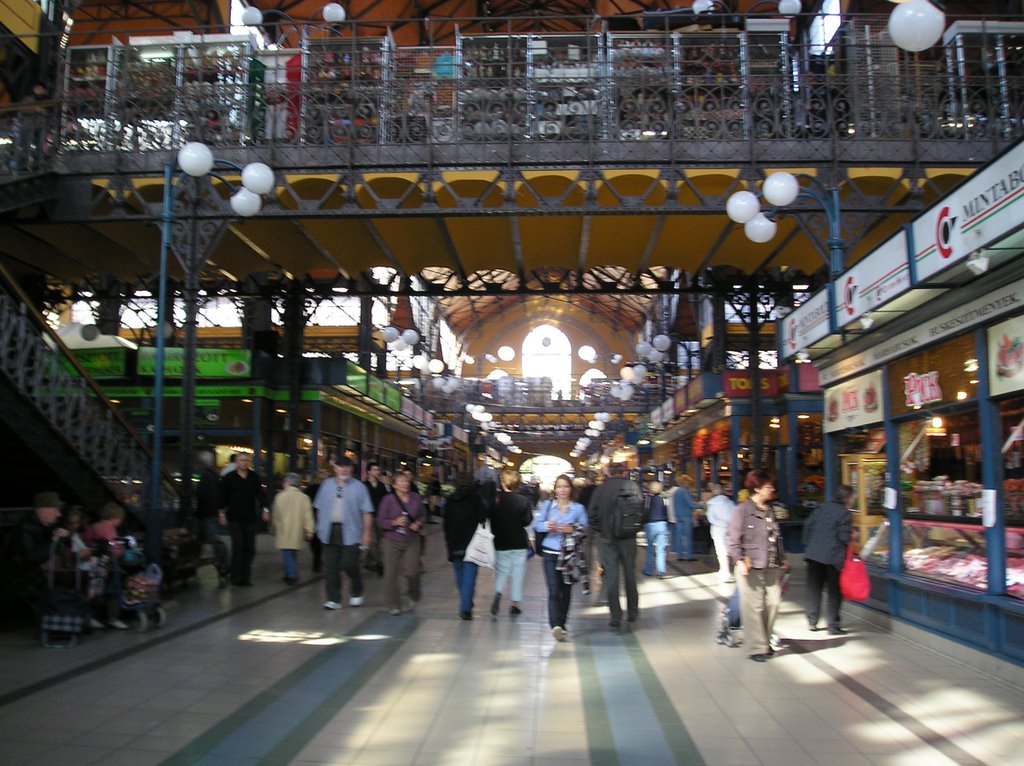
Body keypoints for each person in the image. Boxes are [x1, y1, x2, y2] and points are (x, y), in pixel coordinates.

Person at [728, 469, 789, 663]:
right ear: (757, 488)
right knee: (753, 606)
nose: (771, 489)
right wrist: (739, 559)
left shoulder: (770, 510)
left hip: (771, 564)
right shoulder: (742, 511)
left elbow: (775, 537)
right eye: (767, 487)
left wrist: (782, 557)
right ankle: (757, 647)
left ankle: (765, 639)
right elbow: (732, 538)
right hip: (750, 564)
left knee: (773, 602)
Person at [312, 456, 375, 610]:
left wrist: (367, 533)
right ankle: (333, 599)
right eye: (340, 467)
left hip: (352, 531)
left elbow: (367, 512)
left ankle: (357, 591)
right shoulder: (326, 485)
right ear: (335, 468)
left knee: (349, 563)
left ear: (351, 469)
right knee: (331, 566)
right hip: (329, 530)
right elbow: (319, 508)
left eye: (347, 467)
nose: (344, 470)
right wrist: (320, 527)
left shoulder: (359, 487)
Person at [588, 463, 643, 629]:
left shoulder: (601, 490)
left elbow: (592, 515)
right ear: (625, 472)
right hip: (628, 538)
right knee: (630, 574)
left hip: (607, 539)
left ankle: (615, 615)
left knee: (611, 576)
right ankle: (632, 611)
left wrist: (602, 530)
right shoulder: (634, 487)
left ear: (608, 473)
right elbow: (640, 511)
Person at [535, 474, 588, 641]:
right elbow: (537, 525)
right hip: (550, 552)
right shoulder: (548, 506)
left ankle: (562, 623)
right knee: (553, 589)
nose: (562, 490)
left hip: (569, 555)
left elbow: (585, 528)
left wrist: (572, 528)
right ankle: (555, 625)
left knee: (565, 590)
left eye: (565, 486)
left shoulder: (578, 508)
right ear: (555, 489)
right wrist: (545, 525)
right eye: (559, 486)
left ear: (570, 489)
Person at [4, 492, 69, 619]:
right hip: (21, 577)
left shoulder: (42, 525)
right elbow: (32, 558)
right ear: (43, 511)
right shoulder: (26, 529)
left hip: (28, 574)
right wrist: (54, 540)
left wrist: (61, 537)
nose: (58, 514)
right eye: (55, 510)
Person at [803, 484, 854, 635]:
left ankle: (812, 621)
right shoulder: (845, 514)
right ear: (848, 498)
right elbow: (844, 537)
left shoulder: (821, 508)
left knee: (814, 588)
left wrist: (809, 545)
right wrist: (853, 535)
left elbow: (807, 526)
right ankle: (833, 625)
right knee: (834, 591)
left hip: (814, 554)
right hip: (832, 557)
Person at [377, 470, 427, 615]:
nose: (405, 484)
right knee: (391, 573)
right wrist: (394, 522)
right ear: (394, 485)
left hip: (411, 540)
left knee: (412, 571)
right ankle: (393, 604)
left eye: (406, 481)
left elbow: (423, 515)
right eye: (401, 481)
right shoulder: (388, 500)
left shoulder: (416, 498)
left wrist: (418, 523)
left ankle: (413, 594)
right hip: (392, 540)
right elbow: (380, 521)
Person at [217, 452, 270, 587]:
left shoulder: (254, 477)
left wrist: (265, 509)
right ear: (236, 462)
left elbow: (260, 494)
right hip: (234, 517)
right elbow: (222, 496)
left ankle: (245, 578)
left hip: (250, 518)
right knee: (238, 547)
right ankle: (235, 577)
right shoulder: (229, 478)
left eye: (247, 460)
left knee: (250, 548)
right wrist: (221, 512)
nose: (244, 462)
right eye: (241, 460)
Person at [489, 467, 534, 618]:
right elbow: (527, 521)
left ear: (503, 483)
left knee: (501, 572)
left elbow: (490, 519)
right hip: (519, 542)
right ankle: (514, 605)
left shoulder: (496, 500)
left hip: (501, 541)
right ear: (517, 484)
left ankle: (498, 592)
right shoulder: (523, 501)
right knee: (517, 574)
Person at [442, 471, 487, 620]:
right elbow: (482, 519)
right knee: (470, 576)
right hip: (472, 543)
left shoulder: (449, 500)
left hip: (454, 542)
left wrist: (448, 541)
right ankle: (465, 607)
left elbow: (445, 524)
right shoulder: (475, 499)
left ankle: (466, 602)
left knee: (459, 574)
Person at [269, 473, 315, 585]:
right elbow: (308, 515)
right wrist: (310, 530)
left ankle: (292, 574)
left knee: (286, 553)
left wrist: (273, 528)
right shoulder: (304, 498)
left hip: (283, 529)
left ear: (287, 483)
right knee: (292, 552)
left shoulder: (280, 496)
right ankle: (288, 573)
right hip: (297, 530)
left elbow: (275, 515)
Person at [194, 450, 229, 584]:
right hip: (210, 513)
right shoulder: (215, 476)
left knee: (210, 540)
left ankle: (223, 566)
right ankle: (223, 567)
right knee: (210, 541)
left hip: (205, 514)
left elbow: (202, 495)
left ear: (202, 462)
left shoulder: (206, 477)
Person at [705, 483, 737, 584]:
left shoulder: (712, 504)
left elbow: (711, 518)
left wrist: (722, 524)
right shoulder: (730, 503)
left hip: (718, 531)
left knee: (721, 552)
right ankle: (733, 571)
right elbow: (736, 515)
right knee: (731, 551)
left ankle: (725, 572)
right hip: (730, 530)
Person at [362, 462, 389, 574]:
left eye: (378, 470)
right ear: (368, 471)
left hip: (379, 516)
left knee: (380, 540)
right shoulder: (363, 486)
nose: (377, 472)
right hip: (368, 516)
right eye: (374, 469)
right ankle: (378, 563)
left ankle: (370, 561)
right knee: (371, 540)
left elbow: (386, 501)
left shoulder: (382, 486)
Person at [641, 480, 669, 579]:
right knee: (661, 549)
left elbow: (645, 511)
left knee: (650, 548)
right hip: (662, 524)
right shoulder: (664, 498)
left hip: (651, 524)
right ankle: (661, 571)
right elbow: (666, 511)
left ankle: (648, 570)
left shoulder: (647, 499)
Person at [304, 469, 328, 573]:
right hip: (321, 518)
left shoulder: (310, 489)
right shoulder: (326, 490)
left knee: (315, 543)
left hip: (311, 517)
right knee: (320, 543)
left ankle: (317, 562)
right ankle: (318, 563)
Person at [671, 478, 700, 561]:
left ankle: (679, 556)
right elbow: (690, 504)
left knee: (679, 537)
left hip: (678, 516)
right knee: (688, 537)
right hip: (686, 516)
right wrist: (701, 505)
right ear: (686, 483)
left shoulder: (676, 492)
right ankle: (689, 556)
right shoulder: (684, 491)